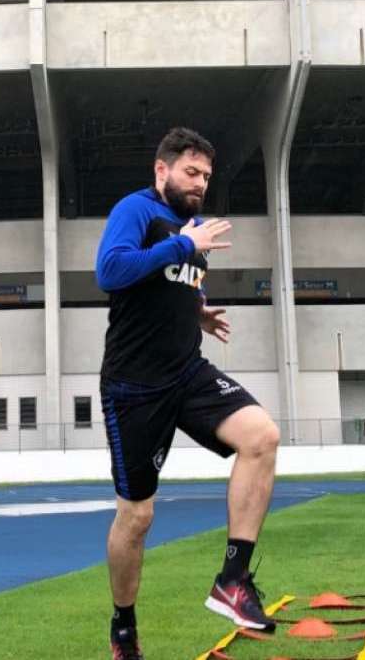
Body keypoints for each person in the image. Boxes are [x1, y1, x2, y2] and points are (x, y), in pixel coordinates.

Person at [95, 128, 282, 660]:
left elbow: (171, 281)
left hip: (187, 372)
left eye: (206, 176)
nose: (200, 183)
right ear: (162, 171)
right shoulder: (136, 210)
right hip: (134, 386)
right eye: (191, 173)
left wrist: (196, 309)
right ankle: (124, 629)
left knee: (262, 436)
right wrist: (184, 245)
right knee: (137, 517)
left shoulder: (194, 228)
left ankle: (233, 579)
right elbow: (110, 271)